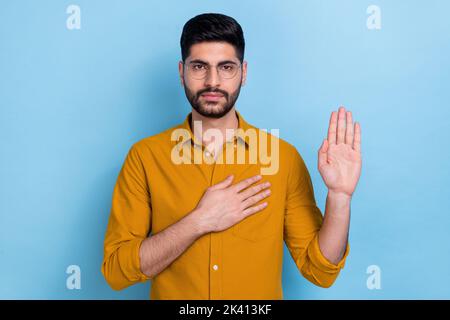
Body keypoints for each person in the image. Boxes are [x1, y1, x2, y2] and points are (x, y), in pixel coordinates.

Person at [101, 13, 362, 300]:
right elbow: (116, 272)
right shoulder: (145, 157)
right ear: (181, 71)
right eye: (199, 66)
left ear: (244, 72)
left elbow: (320, 271)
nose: (212, 81)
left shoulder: (283, 158)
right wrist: (199, 221)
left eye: (226, 67)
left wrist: (339, 196)